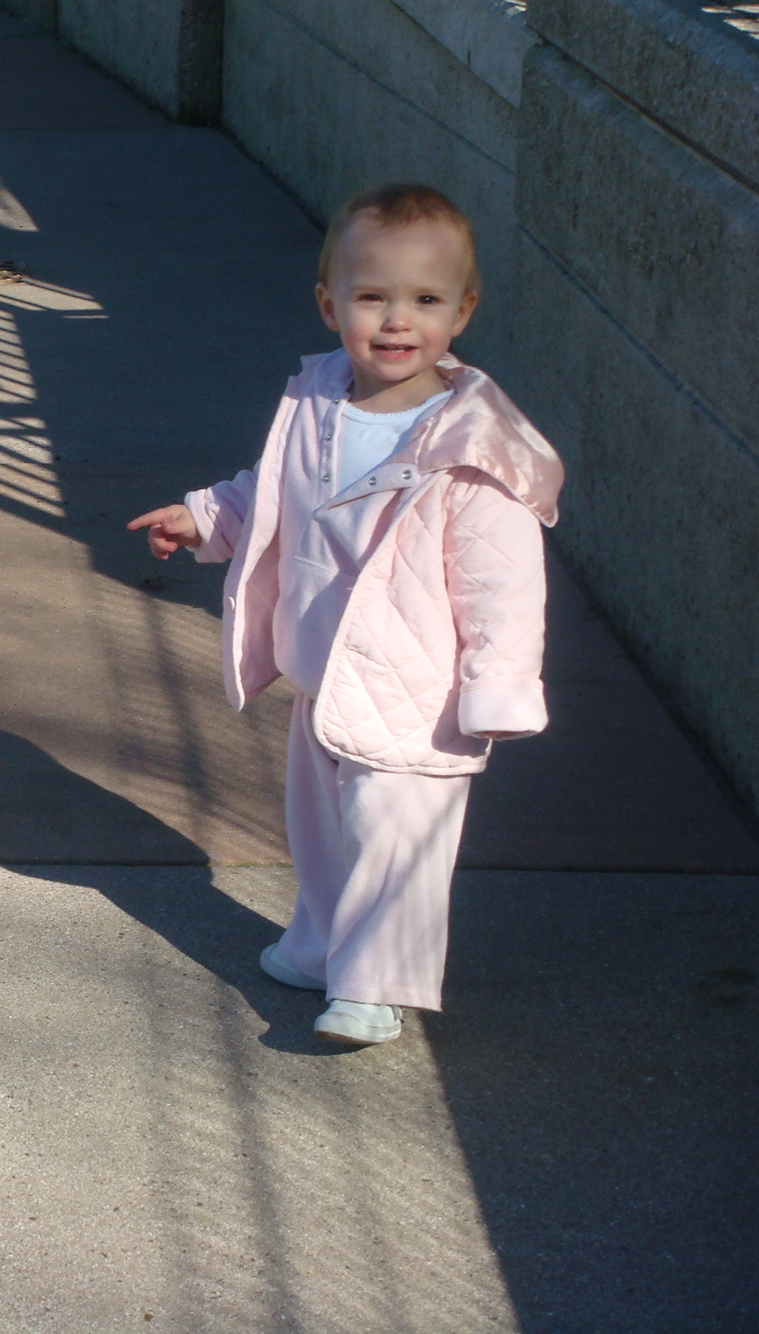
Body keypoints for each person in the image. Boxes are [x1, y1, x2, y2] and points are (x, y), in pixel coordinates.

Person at [127, 184, 562, 1046]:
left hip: (420, 689)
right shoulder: (320, 398)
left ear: (463, 311)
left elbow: (502, 583)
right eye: (372, 298)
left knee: (396, 837)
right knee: (324, 827)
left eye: (426, 301)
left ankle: (373, 985)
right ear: (330, 306)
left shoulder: (475, 452)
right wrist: (210, 516)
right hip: (325, 667)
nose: (398, 322)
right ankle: (324, 944)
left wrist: (500, 689)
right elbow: (276, 493)